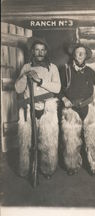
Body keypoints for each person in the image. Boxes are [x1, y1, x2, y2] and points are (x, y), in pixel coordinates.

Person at [59, 43, 95, 179]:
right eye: (78, 52)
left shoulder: (89, 71)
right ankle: (72, 165)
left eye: (83, 53)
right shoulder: (65, 70)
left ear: (86, 56)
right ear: (73, 54)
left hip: (88, 108)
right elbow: (58, 89)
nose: (80, 55)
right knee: (70, 140)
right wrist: (63, 98)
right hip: (71, 109)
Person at [15, 37, 61, 179]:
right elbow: (18, 89)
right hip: (30, 108)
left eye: (42, 50)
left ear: (46, 52)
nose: (40, 53)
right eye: (37, 50)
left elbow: (57, 88)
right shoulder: (26, 67)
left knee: (48, 141)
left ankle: (48, 169)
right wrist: (24, 76)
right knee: (27, 142)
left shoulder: (52, 67)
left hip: (48, 108)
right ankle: (27, 168)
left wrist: (39, 80)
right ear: (33, 52)